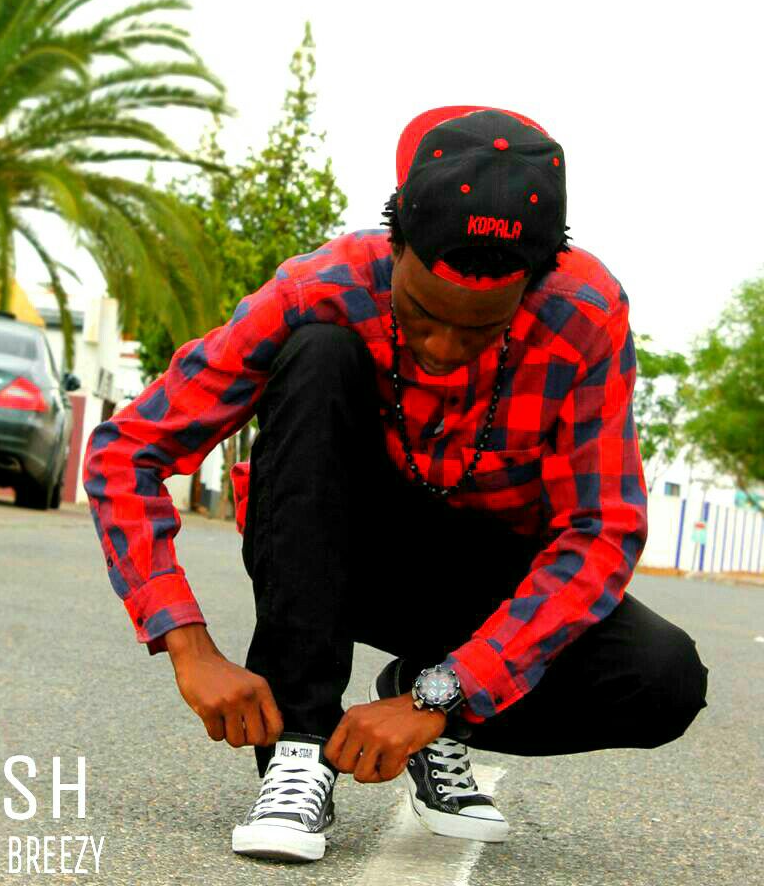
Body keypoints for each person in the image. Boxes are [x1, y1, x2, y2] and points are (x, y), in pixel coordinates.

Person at [84, 106, 708, 863]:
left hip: (487, 581)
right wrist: (187, 644)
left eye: (480, 330)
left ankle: (425, 688)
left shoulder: (584, 314)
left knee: (664, 679)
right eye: (421, 315)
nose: (443, 347)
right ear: (396, 243)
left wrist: (441, 696)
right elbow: (126, 451)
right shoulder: (322, 285)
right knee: (318, 356)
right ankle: (301, 749)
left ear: (535, 285)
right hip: (340, 547)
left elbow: (600, 531)